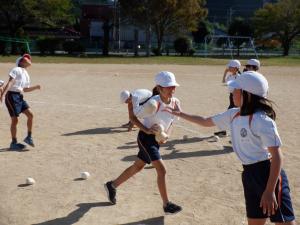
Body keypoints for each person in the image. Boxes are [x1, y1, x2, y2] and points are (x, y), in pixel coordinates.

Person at [164, 71, 295, 224]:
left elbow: (278, 157)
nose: (232, 92)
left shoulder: (262, 120)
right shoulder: (234, 114)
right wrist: (181, 113)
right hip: (249, 174)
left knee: (284, 222)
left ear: (248, 94)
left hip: (268, 174)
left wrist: (270, 190)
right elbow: (206, 121)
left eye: (236, 90)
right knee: (255, 221)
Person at [105, 71, 182, 214]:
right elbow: (133, 117)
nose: (172, 89)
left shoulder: (176, 103)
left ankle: (112, 185)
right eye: (168, 87)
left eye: (173, 86)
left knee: (138, 166)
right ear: (159, 88)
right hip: (146, 139)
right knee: (162, 170)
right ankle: (166, 205)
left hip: (158, 140)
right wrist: (146, 130)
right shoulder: (153, 104)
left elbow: (172, 122)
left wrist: (166, 136)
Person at [1, 54, 41, 150]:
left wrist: (35, 87)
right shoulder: (16, 69)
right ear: (21, 62)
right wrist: (3, 94)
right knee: (15, 120)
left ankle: (29, 137)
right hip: (11, 96)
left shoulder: (26, 74)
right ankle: (13, 143)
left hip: (19, 96)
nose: (28, 59)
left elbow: (25, 89)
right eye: (26, 58)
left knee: (30, 115)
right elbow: (10, 82)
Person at [215, 59, 241, 137]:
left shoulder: (239, 77)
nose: (228, 68)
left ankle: (225, 131)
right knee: (231, 114)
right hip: (231, 96)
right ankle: (226, 131)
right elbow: (224, 82)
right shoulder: (230, 76)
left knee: (231, 114)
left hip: (236, 97)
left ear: (236, 68)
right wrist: (225, 73)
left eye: (230, 67)